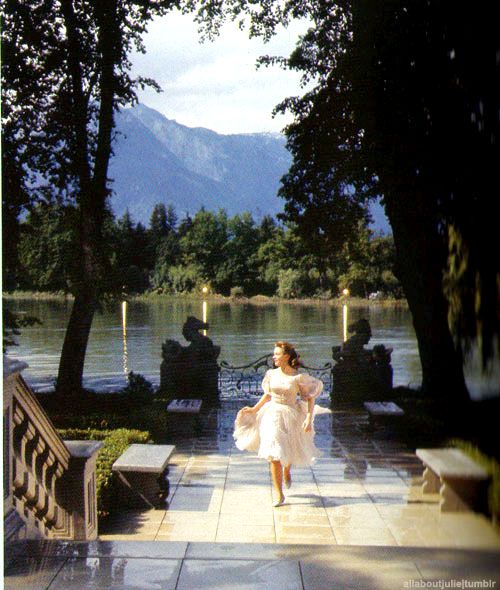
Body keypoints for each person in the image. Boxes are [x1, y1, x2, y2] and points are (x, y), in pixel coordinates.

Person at [233, 341, 329, 507]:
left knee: (288, 448)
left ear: (286, 356)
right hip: (271, 414)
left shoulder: (297, 377)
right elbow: (268, 395)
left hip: (291, 413)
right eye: (274, 354)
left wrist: (308, 418)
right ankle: (279, 493)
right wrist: (254, 409)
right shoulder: (271, 374)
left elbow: (310, 396)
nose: (274, 357)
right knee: (274, 454)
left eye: (277, 354)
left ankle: (287, 469)